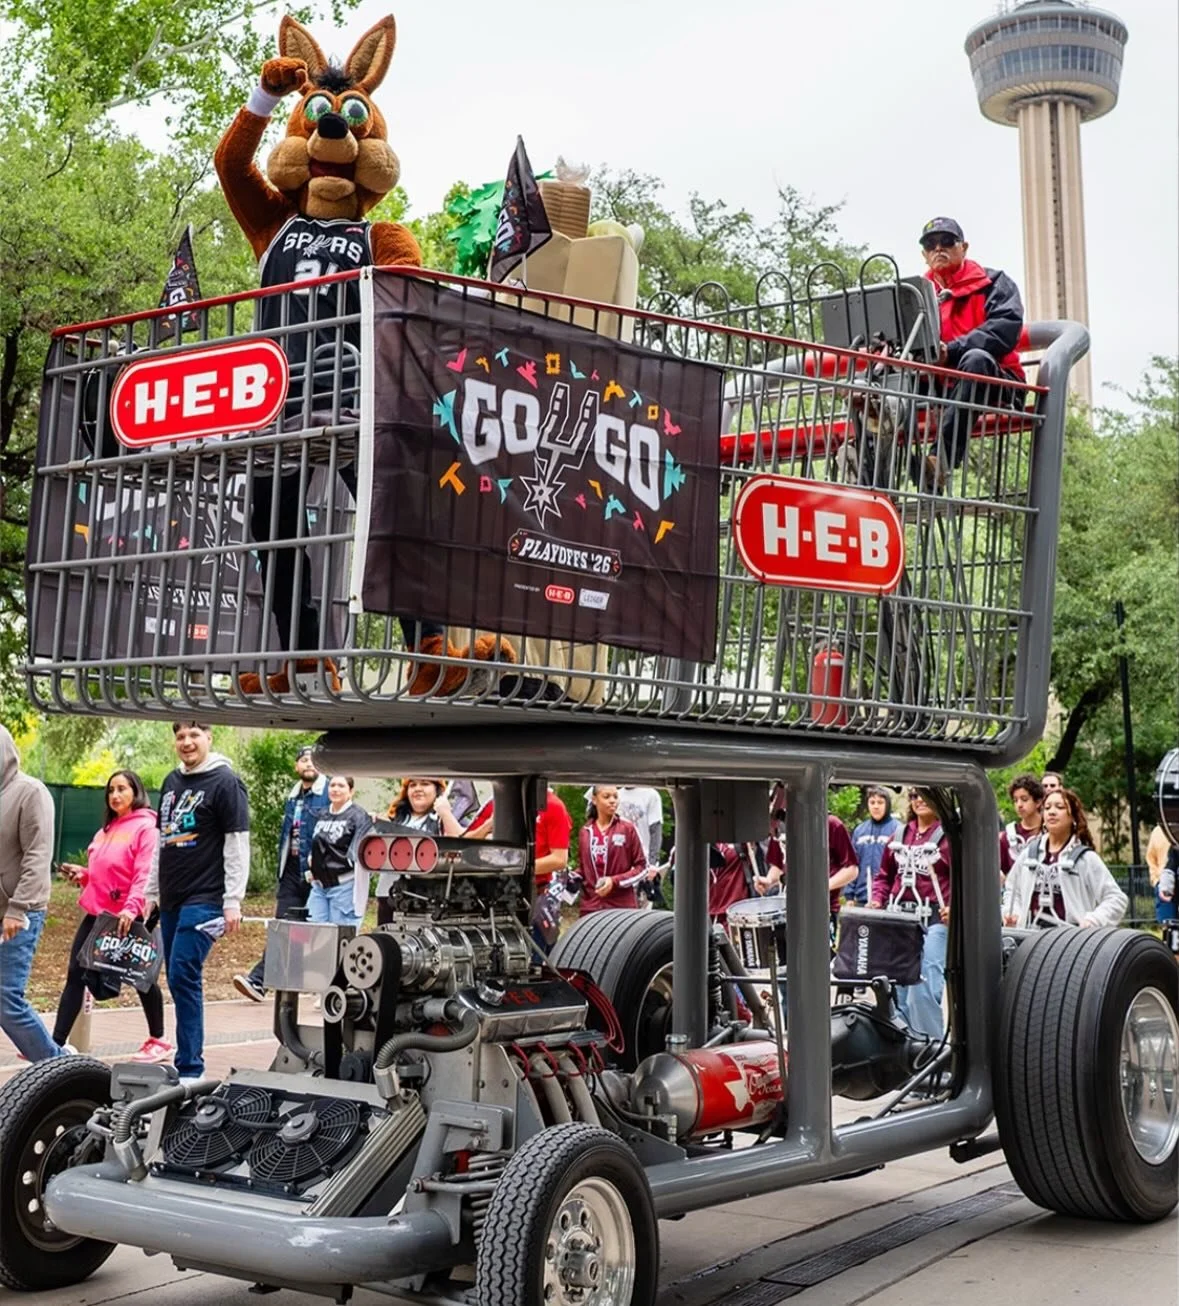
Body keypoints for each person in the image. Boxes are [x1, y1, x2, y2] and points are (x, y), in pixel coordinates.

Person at [144, 722, 249, 1081]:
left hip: (206, 897)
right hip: (172, 897)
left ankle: (192, 1069)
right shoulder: (172, 782)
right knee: (176, 979)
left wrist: (233, 899)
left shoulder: (225, 782)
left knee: (182, 973)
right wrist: (150, 892)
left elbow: (237, 843)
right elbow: (161, 840)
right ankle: (187, 1061)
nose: (186, 742)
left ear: (209, 738)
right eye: (180, 736)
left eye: (194, 735)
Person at [53, 770, 172, 1062]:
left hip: (128, 915)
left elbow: (144, 873)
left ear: (136, 792)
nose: (115, 795)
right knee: (75, 973)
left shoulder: (147, 827)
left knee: (141, 977)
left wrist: (132, 908)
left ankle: (159, 1040)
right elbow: (105, 874)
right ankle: (54, 1044)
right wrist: (83, 875)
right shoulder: (106, 829)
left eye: (122, 789)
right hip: (98, 913)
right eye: (111, 790)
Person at [917, 217, 1026, 492]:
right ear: (923, 255)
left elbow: (1004, 331)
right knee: (879, 378)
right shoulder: (917, 294)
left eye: (947, 242)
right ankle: (866, 460)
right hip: (940, 386)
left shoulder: (993, 283)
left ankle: (939, 461)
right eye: (930, 245)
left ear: (963, 247)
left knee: (975, 359)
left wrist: (950, 351)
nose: (938, 248)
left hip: (996, 383)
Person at [234, 746, 330, 1003]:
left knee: (317, 932)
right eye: (303, 760)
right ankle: (261, 981)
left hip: (319, 874)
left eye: (312, 760)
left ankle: (323, 986)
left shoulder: (329, 792)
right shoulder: (294, 796)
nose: (308, 764)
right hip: (291, 871)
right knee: (283, 927)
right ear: (296, 767)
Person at [0, 724, 68, 1062]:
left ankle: (56, 1066)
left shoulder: (30, 792)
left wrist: (17, 908)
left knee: (5, 999)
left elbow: (38, 856)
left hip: (18, 913)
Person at [870, 788, 953, 1039]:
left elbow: (966, 877)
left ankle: (934, 1056)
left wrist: (956, 906)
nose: (919, 800)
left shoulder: (949, 837)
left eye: (925, 794)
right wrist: (877, 899)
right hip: (900, 918)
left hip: (936, 918)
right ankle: (907, 1055)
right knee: (899, 992)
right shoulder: (899, 835)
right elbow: (884, 875)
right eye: (915, 795)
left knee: (923, 987)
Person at [465, 787, 573, 953]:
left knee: (532, 956)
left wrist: (513, 868)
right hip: (491, 897)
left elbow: (559, 859)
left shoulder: (553, 806)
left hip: (532, 896)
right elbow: (464, 844)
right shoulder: (495, 804)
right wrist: (487, 826)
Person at [1003, 788, 1128, 930]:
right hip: (1031, 942)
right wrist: (1013, 914)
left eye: (1060, 807)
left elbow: (1116, 899)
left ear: (1073, 817)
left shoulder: (1085, 859)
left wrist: (1093, 921)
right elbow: (1012, 890)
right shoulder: (1028, 855)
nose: (1051, 812)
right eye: (1047, 807)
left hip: (1069, 944)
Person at [376, 778, 464, 925]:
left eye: (425, 784)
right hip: (389, 895)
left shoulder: (442, 818)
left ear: (437, 790)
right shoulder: (395, 818)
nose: (417, 789)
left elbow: (460, 842)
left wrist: (445, 814)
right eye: (412, 785)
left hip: (424, 899)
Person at [307, 777, 374, 927]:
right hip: (319, 886)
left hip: (344, 887)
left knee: (340, 936)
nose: (336, 789)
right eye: (332, 785)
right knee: (314, 933)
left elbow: (362, 853)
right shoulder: (322, 813)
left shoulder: (359, 816)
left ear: (351, 791)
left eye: (341, 786)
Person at [578, 785, 647, 914]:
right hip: (591, 907)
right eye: (606, 796)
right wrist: (572, 877)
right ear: (594, 800)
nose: (612, 800)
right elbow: (583, 869)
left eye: (615, 796)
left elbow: (642, 868)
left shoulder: (627, 829)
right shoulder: (585, 832)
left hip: (620, 908)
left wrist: (614, 882)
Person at [849, 787, 901, 905]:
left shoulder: (899, 830)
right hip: (862, 897)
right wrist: (849, 895)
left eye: (880, 802)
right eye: (872, 802)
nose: (876, 806)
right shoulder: (859, 831)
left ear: (887, 804)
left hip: (890, 899)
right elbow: (852, 864)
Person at [999, 773, 1044, 881]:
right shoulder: (1008, 836)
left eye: (1024, 799)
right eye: (1015, 800)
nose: (1019, 805)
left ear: (1038, 802)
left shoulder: (1048, 832)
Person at [1146, 823, 1178, 925]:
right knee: (1167, 924)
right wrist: (1156, 880)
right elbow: (1151, 857)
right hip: (1163, 883)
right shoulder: (1158, 831)